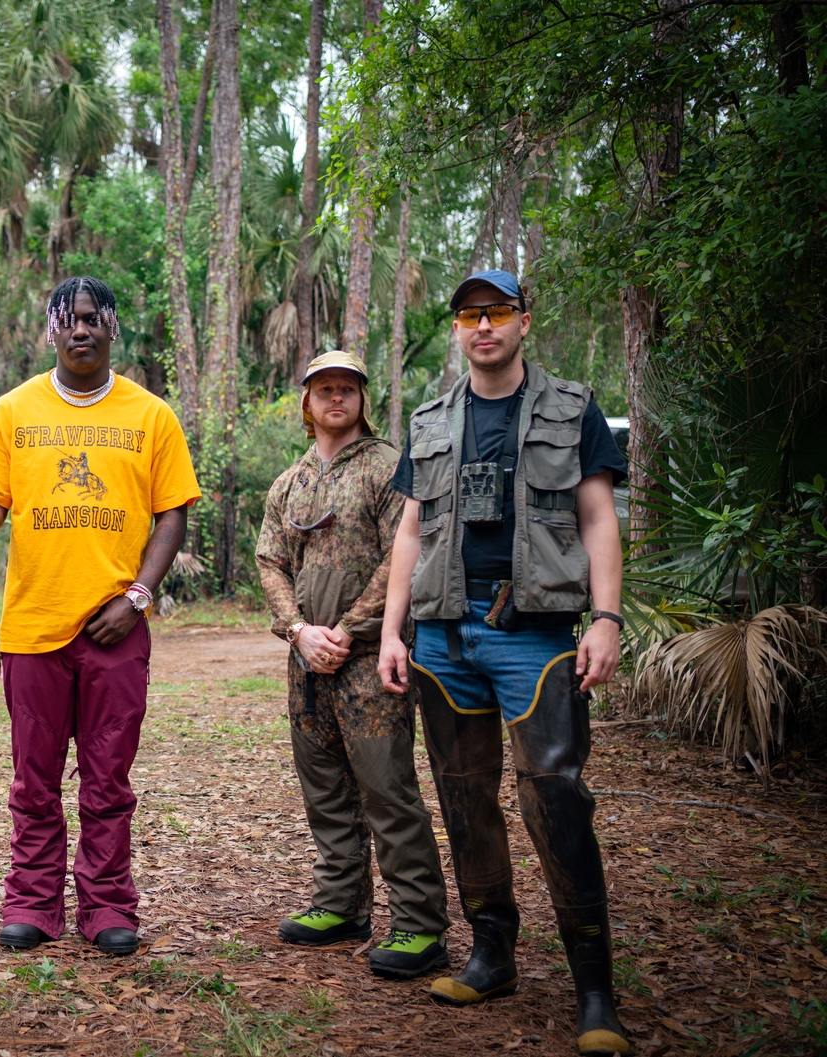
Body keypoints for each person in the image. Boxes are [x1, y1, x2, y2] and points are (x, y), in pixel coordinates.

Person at [377, 270, 631, 1055]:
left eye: (497, 312)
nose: (482, 326)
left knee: (555, 798)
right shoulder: (431, 418)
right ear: (457, 328)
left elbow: (597, 516)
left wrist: (608, 618)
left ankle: (595, 991)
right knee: (464, 796)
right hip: (446, 635)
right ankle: (493, 953)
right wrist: (393, 633)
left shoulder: (571, 406)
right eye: (468, 315)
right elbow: (411, 533)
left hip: (535, 631)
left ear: (524, 319)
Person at [0, 276, 200, 957]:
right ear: (50, 330)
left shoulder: (151, 416)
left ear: (113, 327)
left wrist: (137, 597)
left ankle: (109, 904)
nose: (80, 330)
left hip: (116, 628)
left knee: (109, 776)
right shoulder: (14, 411)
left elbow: (172, 512)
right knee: (35, 778)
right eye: (68, 320)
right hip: (33, 627)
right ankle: (32, 901)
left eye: (92, 319)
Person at [255, 349, 450, 979]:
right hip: (306, 661)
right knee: (325, 789)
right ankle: (341, 904)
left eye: (347, 389)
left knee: (386, 789)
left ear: (363, 399)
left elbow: (404, 558)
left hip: (372, 659)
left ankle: (419, 925)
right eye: (324, 389)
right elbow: (270, 561)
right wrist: (298, 630)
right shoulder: (290, 481)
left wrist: (343, 630)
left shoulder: (391, 469)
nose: (336, 398)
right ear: (306, 404)